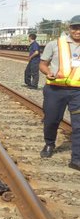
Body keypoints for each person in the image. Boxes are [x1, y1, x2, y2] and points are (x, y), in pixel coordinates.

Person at [39, 15, 80, 171]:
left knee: (79, 126)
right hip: (55, 90)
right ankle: (49, 144)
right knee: (51, 120)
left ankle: (76, 159)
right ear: (69, 29)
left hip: (78, 92)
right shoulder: (54, 44)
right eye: (75, 27)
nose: (78, 31)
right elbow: (43, 64)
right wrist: (47, 72)